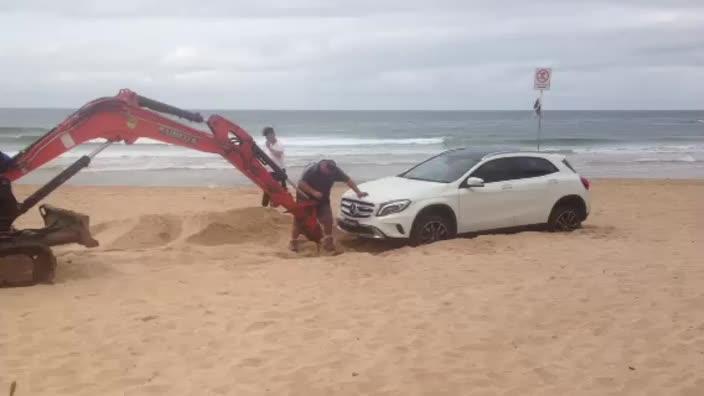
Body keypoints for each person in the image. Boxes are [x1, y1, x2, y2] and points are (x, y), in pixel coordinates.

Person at [290, 159, 367, 252]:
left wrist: (358, 192)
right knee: (299, 219)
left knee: (328, 219)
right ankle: (293, 242)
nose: (329, 174)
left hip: (323, 198)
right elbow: (301, 183)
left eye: (331, 172)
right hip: (305, 197)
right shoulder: (312, 169)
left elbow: (348, 180)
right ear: (322, 166)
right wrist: (313, 192)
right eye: (328, 171)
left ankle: (328, 242)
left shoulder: (334, 170)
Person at [261, 126, 287, 207]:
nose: (266, 138)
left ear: (273, 134)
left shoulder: (279, 144)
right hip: (270, 170)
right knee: (268, 188)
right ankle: (264, 206)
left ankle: (283, 204)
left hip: (279, 170)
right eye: (265, 136)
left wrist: (269, 148)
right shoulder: (266, 144)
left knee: (282, 190)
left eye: (267, 135)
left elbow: (278, 155)